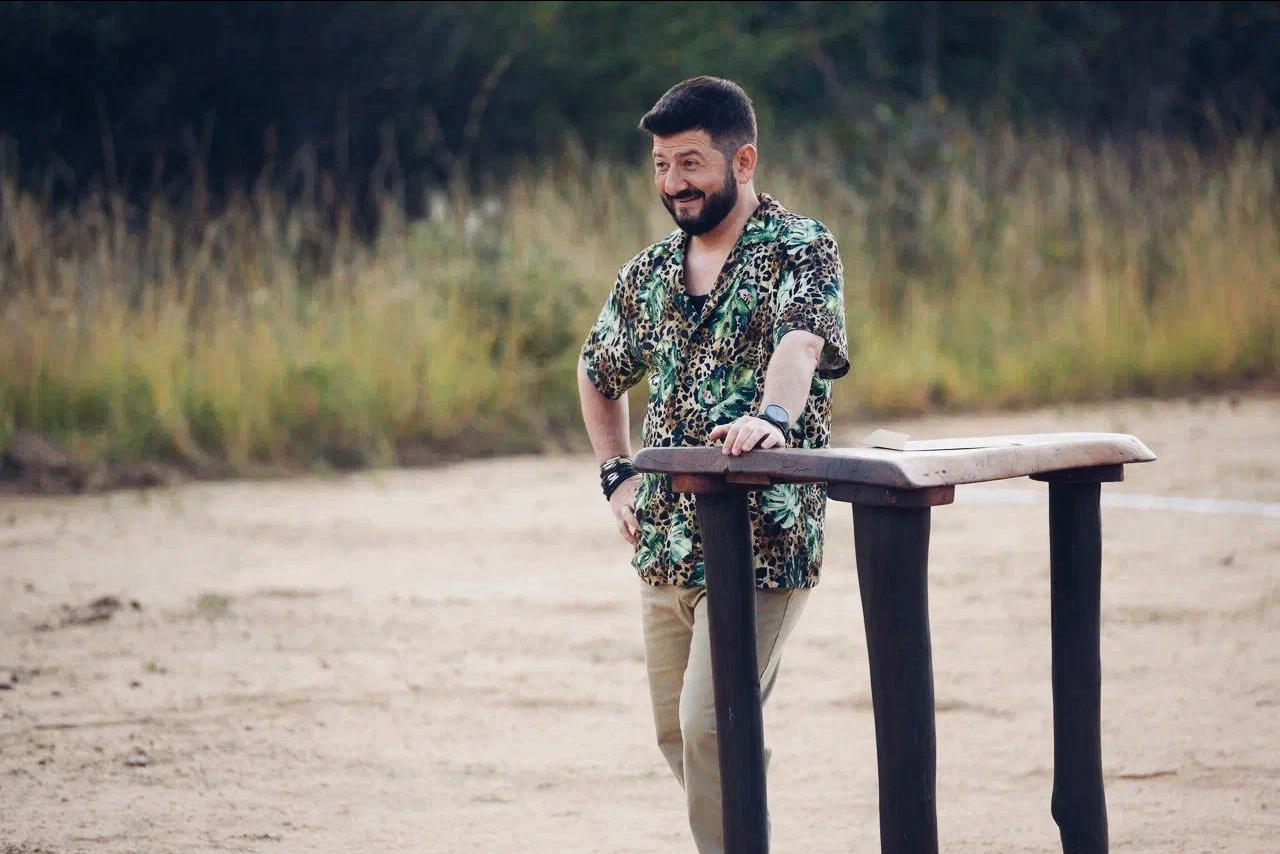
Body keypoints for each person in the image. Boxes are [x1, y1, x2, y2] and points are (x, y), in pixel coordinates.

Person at [576, 75, 850, 854]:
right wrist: (616, 474)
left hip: (760, 545)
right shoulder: (650, 272)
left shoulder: (801, 247)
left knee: (711, 727)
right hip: (663, 544)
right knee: (681, 734)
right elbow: (597, 372)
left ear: (744, 160)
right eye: (662, 166)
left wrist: (772, 419)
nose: (674, 184)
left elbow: (802, 341)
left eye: (690, 163)